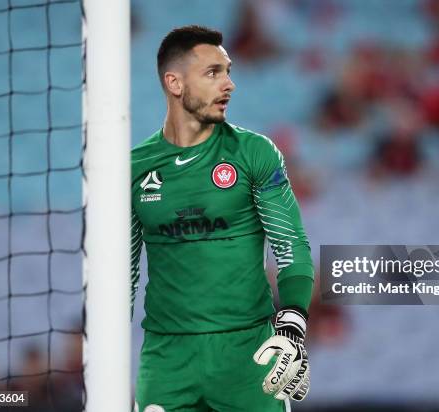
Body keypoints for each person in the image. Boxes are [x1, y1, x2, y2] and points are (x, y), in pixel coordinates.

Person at [130, 25, 314, 412]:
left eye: (228, 71)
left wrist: (293, 327)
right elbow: (122, 274)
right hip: (167, 359)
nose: (228, 84)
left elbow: (291, 245)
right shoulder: (132, 168)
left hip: (249, 357)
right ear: (174, 83)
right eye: (213, 73)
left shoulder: (255, 153)